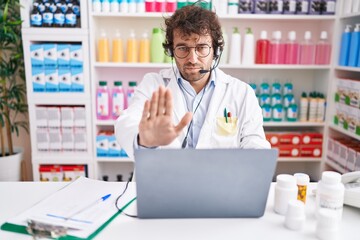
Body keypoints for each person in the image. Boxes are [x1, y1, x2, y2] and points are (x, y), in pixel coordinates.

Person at [115, 4, 270, 158]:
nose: (192, 59)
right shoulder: (153, 84)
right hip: (165, 180)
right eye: (183, 48)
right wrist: (145, 140)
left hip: (219, 181)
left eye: (201, 47)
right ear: (171, 51)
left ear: (215, 50)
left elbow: (255, 143)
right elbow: (127, 123)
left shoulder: (241, 92)